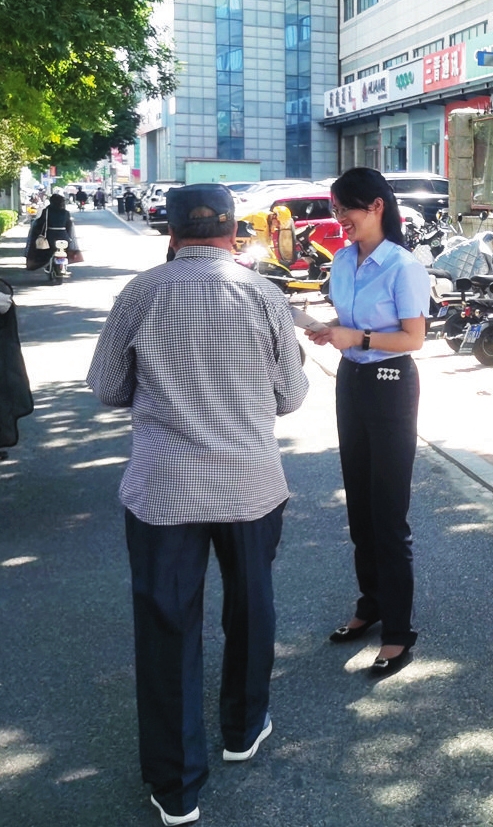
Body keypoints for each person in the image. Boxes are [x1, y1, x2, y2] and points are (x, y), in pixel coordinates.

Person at [87, 184, 309, 825]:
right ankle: (243, 728)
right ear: (235, 232)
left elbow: (106, 386)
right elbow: (291, 396)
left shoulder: (140, 293)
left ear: (173, 232)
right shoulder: (263, 294)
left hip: (162, 489)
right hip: (249, 484)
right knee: (251, 607)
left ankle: (176, 785)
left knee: (167, 626)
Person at [306, 166, 430, 677]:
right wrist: (330, 328)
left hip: (391, 382)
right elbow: (351, 321)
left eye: (345, 209)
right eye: (334, 209)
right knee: (358, 503)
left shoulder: (403, 266)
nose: (339, 219)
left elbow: (413, 338)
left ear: (376, 206)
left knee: (388, 510)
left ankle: (398, 630)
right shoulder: (342, 260)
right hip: (351, 380)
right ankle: (371, 603)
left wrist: (356, 337)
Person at [23, 192, 77, 270]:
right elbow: (68, 225)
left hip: (50, 236)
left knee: (44, 251)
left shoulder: (47, 211)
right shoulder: (66, 213)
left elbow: (41, 223)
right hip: (64, 236)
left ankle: (45, 264)